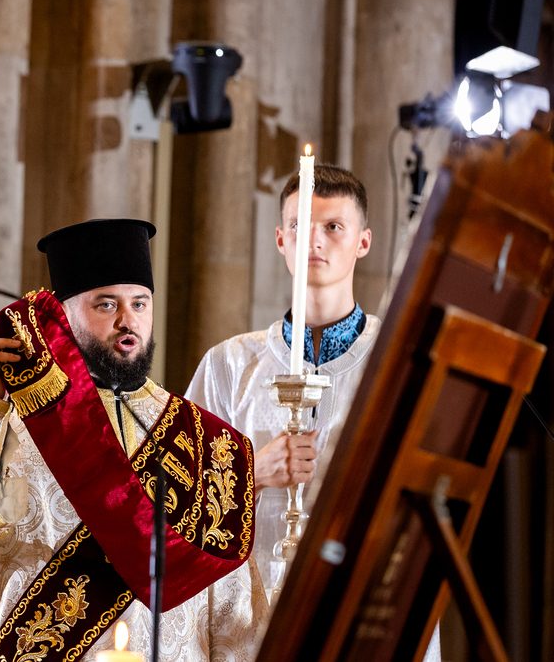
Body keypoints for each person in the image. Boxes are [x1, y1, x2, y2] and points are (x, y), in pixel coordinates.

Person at [0, 219, 259, 662]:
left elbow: (232, 605)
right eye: (106, 305)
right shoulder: (21, 428)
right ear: (63, 318)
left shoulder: (207, 440)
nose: (128, 320)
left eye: (139, 303)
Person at [186, 164, 439, 660]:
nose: (314, 241)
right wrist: (252, 472)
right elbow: (177, 499)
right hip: (249, 621)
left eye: (333, 226)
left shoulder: (400, 360)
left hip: (363, 605)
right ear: (281, 239)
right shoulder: (228, 366)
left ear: (363, 242)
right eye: (300, 225)